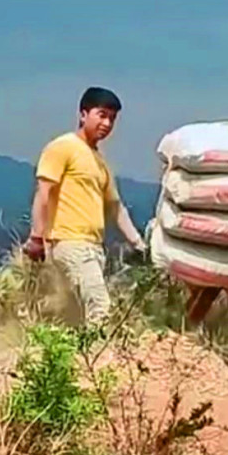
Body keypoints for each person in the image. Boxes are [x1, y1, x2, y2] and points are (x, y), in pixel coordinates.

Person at [27, 86, 145, 324]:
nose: (107, 123)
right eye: (101, 115)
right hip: (69, 241)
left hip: (94, 247)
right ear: (83, 114)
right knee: (100, 306)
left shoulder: (100, 162)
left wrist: (138, 243)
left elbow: (115, 207)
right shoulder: (63, 147)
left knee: (74, 315)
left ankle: (75, 358)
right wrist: (36, 237)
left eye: (112, 118)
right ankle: (99, 358)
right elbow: (43, 193)